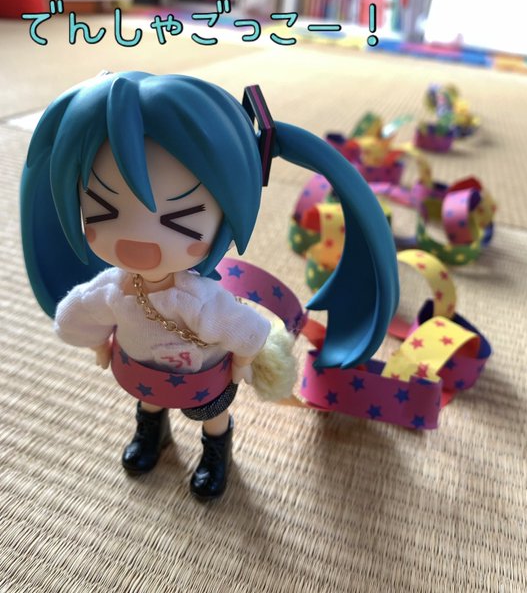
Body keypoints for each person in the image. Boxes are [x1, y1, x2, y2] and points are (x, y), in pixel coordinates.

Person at [20, 71, 399, 499]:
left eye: (180, 221)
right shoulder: (112, 288)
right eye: (103, 212)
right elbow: (76, 316)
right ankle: (151, 432)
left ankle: (216, 451)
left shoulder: (198, 300)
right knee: (149, 402)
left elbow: (247, 331)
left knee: (211, 416)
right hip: (145, 373)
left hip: (202, 378)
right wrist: (99, 346)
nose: (137, 241)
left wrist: (239, 365)